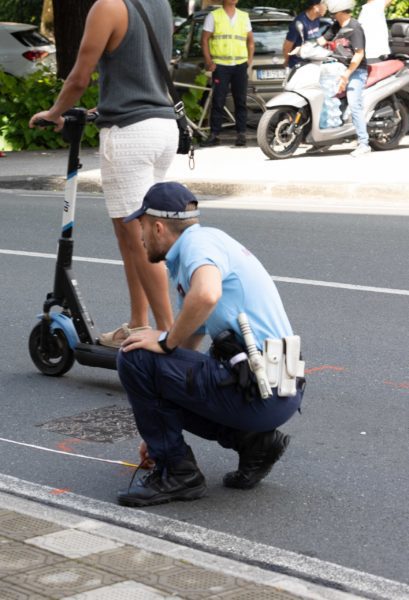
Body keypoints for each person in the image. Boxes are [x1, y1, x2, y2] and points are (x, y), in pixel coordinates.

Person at [116, 181, 305, 507]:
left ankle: (178, 474)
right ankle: (254, 444)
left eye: (142, 227)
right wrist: (156, 429)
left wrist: (163, 343)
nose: (141, 237)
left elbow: (206, 295)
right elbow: (184, 350)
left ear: (159, 227)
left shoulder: (196, 246)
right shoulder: (211, 240)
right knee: (152, 365)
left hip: (259, 389)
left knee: (133, 356)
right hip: (278, 387)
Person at [29, 0, 178, 348]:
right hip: (162, 127)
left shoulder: (107, 7)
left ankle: (169, 337)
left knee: (139, 241)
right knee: (137, 238)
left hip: (130, 135)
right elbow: (140, 74)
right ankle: (140, 324)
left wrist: (54, 112)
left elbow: (79, 77)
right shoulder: (160, 5)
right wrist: (97, 111)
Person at [320, 0, 371, 157]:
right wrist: (303, 48)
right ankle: (323, 139)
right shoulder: (337, 25)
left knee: (354, 103)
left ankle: (364, 143)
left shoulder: (355, 28)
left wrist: (347, 74)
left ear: (338, 11)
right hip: (338, 69)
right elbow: (321, 41)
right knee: (325, 99)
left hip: (356, 71)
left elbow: (359, 54)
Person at [201, 0, 255, 147]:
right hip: (221, 66)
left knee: (240, 101)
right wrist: (209, 61)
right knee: (218, 101)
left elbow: (250, 41)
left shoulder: (244, 16)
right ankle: (214, 135)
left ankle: (241, 134)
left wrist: (249, 60)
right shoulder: (214, 16)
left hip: (239, 66)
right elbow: (204, 40)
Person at [283, 0, 327, 69]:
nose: (326, 7)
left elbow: (318, 39)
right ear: (316, 7)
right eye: (324, 4)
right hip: (299, 65)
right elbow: (287, 46)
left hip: (312, 63)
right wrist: (286, 61)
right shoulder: (299, 22)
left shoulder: (316, 19)